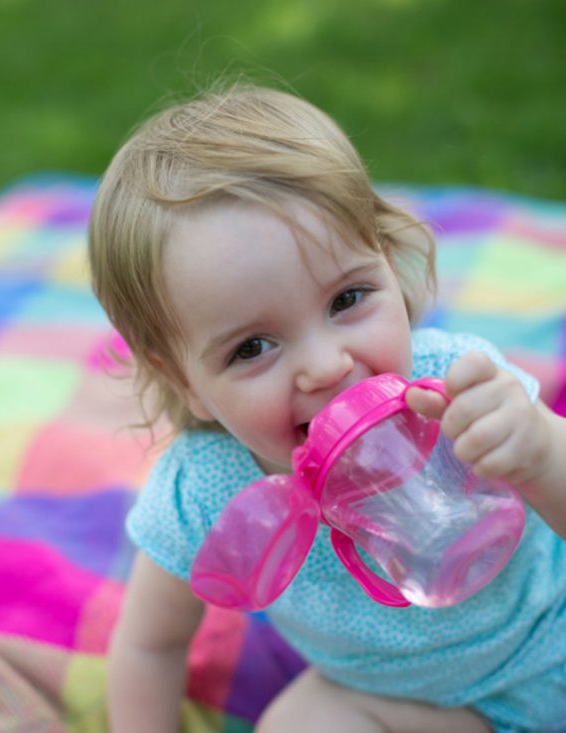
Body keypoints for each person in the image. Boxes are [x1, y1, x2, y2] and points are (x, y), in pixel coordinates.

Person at [88, 83, 566, 733]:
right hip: (421, 705)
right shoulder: (206, 489)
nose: (326, 365)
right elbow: (151, 642)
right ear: (186, 380)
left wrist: (538, 449)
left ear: (388, 264)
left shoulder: (454, 386)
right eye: (253, 347)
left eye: (347, 299)